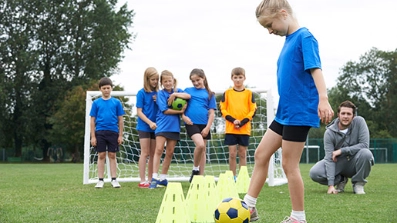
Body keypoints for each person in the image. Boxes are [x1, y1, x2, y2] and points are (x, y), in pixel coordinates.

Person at [242, 1, 334, 222]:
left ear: (283, 14)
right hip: (285, 112)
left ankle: (298, 218)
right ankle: (249, 207)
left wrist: (323, 99)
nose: (270, 30)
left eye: (269, 25)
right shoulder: (288, 40)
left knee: (288, 164)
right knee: (261, 154)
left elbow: (316, 69)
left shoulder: (305, 37)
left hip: (299, 112)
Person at [309, 100, 373, 195]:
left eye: (348, 114)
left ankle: (358, 184)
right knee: (314, 173)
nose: (345, 116)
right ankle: (340, 180)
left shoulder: (360, 122)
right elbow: (329, 159)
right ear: (338, 115)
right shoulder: (329, 133)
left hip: (355, 161)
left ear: (353, 116)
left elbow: (364, 145)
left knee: (366, 153)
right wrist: (331, 185)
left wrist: (341, 151)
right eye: (343, 113)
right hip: (338, 163)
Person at [149, 70, 191, 189]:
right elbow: (165, 110)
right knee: (159, 149)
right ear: (162, 83)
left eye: (169, 81)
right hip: (162, 125)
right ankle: (154, 177)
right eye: (165, 81)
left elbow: (188, 96)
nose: (168, 83)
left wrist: (174, 95)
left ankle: (163, 178)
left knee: (170, 152)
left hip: (174, 127)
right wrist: (180, 111)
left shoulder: (178, 91)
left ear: (173, 81)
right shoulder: (160, 94)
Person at [219, 67, 256, 180]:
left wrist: (243, 122)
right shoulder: (227, 93)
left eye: (240, 77)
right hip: (231, 128)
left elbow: (253, 110)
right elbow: (222, 109)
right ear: (232, 78)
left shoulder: (249, 93)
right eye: (236, 77)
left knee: (243, 153)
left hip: (244, 128)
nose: (238, 80)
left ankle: (243, 177)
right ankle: (232, 177)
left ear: (244, 78)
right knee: (232, 154)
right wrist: (233, 120)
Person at [90, 77, 125, 189]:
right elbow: (92, 120)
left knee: (112, 155)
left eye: (108, 88)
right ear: (100, 89)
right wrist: (93, 136)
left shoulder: (116, 102)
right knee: (101, 155)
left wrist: (120, 135)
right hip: (100, 132)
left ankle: (114, 179)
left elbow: (120, 120)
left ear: (111, 88)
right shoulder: (96, 103)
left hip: (113, 132)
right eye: (104, 88)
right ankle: (100, 180)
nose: (106, 90)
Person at [183, 68, 217, 182]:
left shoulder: (210, 94)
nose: (196, 83)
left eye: (198, 80)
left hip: (204, 125)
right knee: (200, 145)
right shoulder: (187, 91)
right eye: (193, 81)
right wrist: (183, 116)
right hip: (191, 123)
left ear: (203, 78)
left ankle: (199, 178)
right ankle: (195, 169)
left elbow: (212, 113)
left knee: (202, 150)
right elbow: (180, 107)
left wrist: (208, 128)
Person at [136, 67, 159, 188]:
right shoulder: (141, 93)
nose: (155, 82)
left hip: (156, 127)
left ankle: (151, 179)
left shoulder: (159, 93)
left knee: (153, 153)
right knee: (144, 153)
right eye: (153, 79)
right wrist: (149, 122)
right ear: (147, 79)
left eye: (157, 79)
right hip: (144, 126)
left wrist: (159, 101)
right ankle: (142, 180)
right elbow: (139, 112)